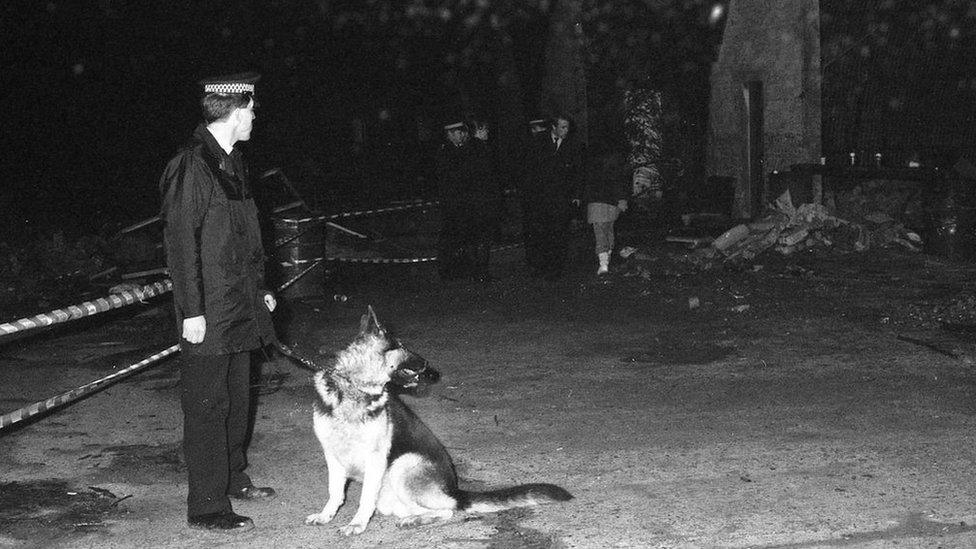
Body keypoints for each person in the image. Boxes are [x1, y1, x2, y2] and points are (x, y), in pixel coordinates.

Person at [159, 72, 278, 532]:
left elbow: (245, 235)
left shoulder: (232, 161)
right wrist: (191, 310)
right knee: (208, 406)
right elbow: (180, 244)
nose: (255, 116)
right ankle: (207, 506)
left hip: (238, 305)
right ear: (234, 110)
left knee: (235, 399)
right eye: (252, 108)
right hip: (208, 311)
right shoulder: (191, 165)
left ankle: (234, 478)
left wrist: (262, 287)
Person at [519, 113, 584, 280]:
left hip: (561, 197)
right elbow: (528, 169)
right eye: (562, 127)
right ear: (553, 127)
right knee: (541, 233)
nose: (566, 130)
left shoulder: (572, 145)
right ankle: (540, 266)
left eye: (567, 127)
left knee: (559, 233)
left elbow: (577, 171)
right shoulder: (538, 142)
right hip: (540, 197)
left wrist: (576, 194)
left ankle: (555, 268)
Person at [434, 115, 498, 281]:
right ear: (449, 134)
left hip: (471, 202)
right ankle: (455, 271)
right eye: (457, 132)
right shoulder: (446, 151)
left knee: (474, 238)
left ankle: (475, 271)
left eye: (463, 132)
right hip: (456, 204)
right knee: (458, 239)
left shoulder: (470, 149)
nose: (461, 135)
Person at [585, 147, 630, 275]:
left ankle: (604, 263)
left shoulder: (595, 164)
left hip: (600, 203)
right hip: (605, 203)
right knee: (606, 232)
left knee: (602, 233)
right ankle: (604, 262)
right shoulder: (614, 164)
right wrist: (621, 199)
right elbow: (619, 183)